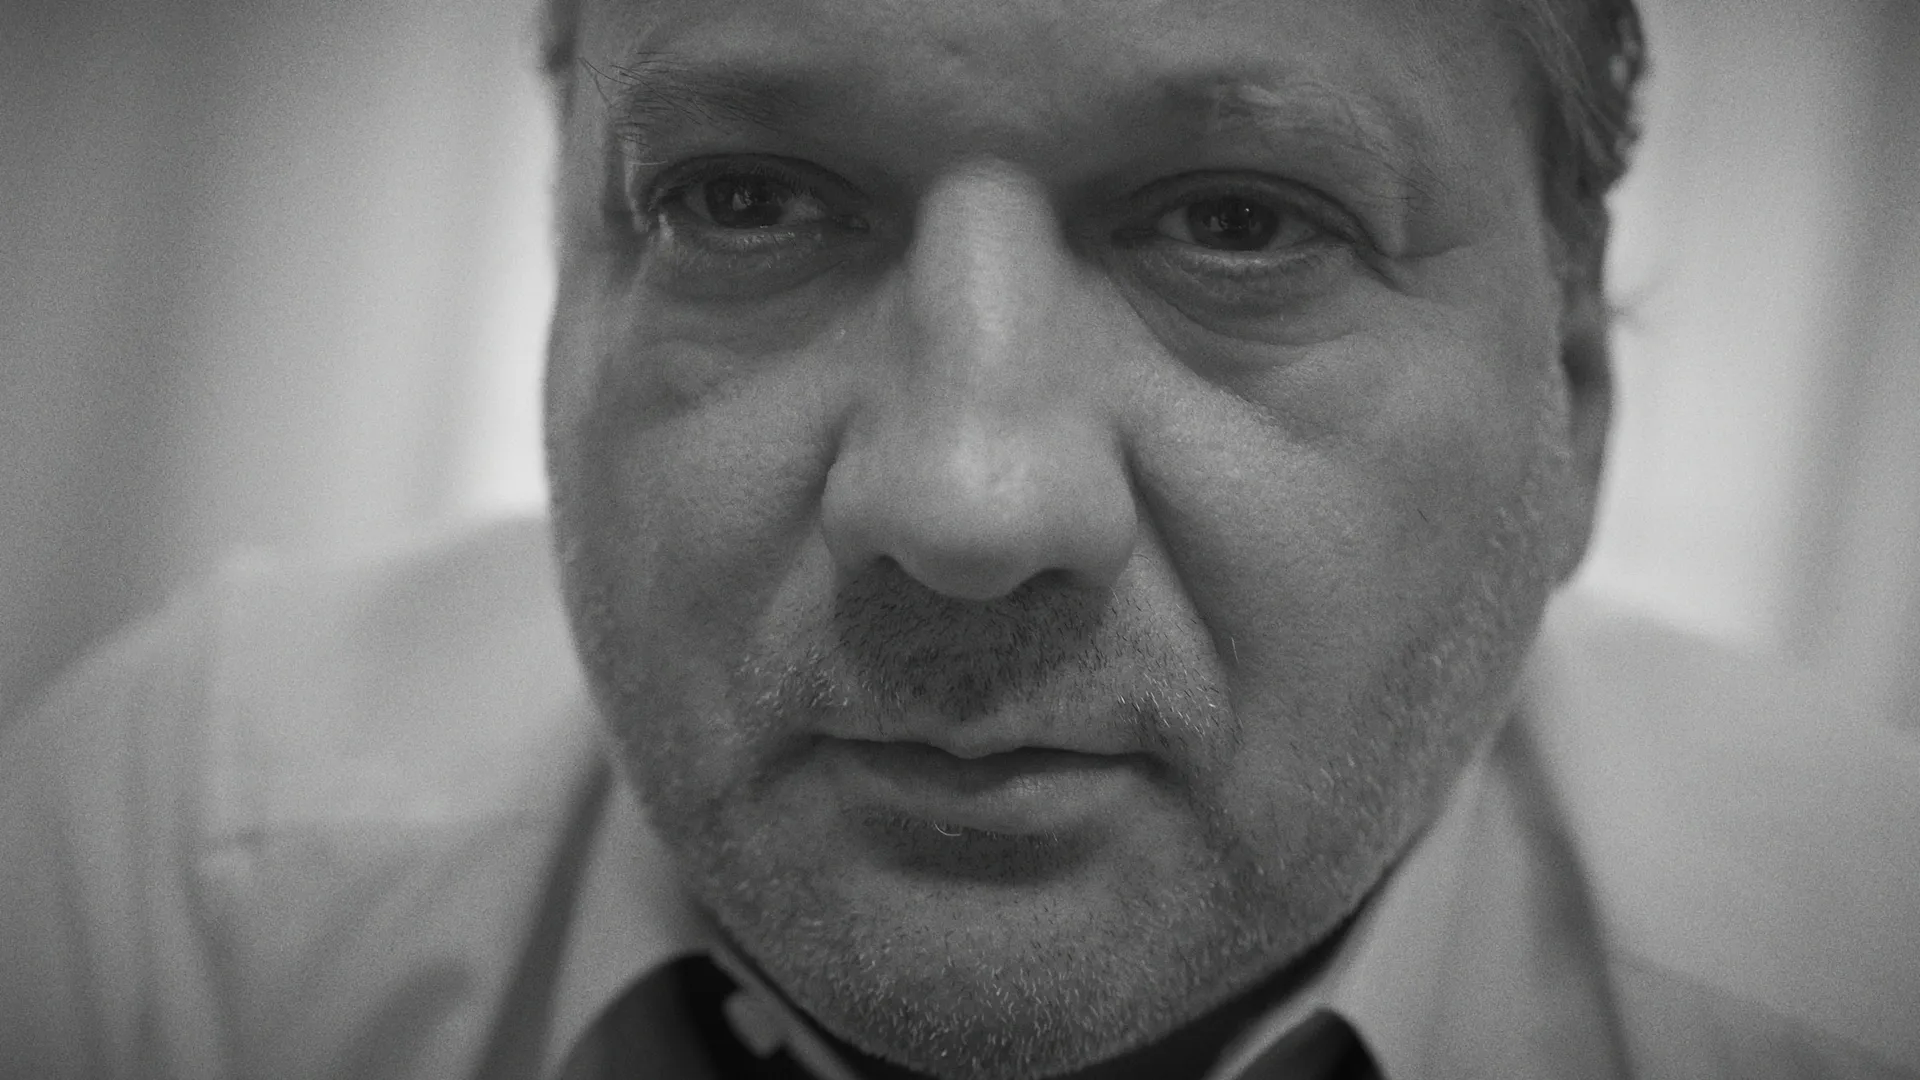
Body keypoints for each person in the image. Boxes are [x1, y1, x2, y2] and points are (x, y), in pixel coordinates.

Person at [4, 0, 1918, 1076]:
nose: (964, 503)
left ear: (1569, 417)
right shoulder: (179, 894)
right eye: (743, 197)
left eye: (1241, 223)